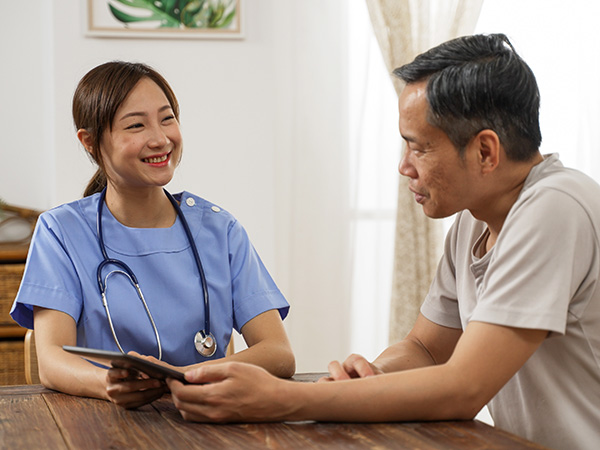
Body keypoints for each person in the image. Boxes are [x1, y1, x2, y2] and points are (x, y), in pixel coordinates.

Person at [164, 34, 600, 450]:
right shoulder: (474, 223)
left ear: (486, 152)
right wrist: (373, 375)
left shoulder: (557, 206)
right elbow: (427, 349)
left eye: (419, 148)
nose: (404, 167)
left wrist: (281, 399)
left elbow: (464, 386)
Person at [10, 61, 295, 409]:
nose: (160, 139)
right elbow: (52, 361)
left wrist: (183, 378)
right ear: (89, 142)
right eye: (136, 125)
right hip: (99, 423)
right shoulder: (62, 232)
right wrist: (108, 384)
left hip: (204, 417)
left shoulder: (221, 231)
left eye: (167, 118)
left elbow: (278, 353)